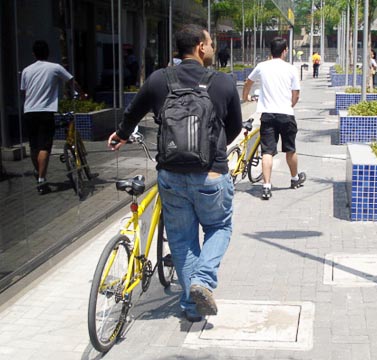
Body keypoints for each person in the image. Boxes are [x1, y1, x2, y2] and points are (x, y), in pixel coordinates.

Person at [108, 25, 243, 322]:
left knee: (182, 241)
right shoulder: (222, 83)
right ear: (199, 47)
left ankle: (192, 306)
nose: (211, 47)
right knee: (219, 228)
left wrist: (120, 134)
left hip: (170, 174)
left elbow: (133, 112)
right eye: (209, 42)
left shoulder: (159, 79)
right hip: (210, 173)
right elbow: (233, 128)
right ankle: (203, 281)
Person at [242, 37, 305, 200]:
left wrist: (246, 96)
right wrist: (290, 105)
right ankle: (294, 179)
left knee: (267, 152)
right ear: (285, 51)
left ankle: (266, 186)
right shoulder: (291, 69)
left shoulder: (262, 66)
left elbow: (248, 82)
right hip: (286, 114)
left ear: (271, 51)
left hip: (268, 115)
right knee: (290, 149)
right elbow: (296, 94)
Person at [20, 40, 77, 195]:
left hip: (29, 111)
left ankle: (38, 173)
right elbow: (72, 81)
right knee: (45, 147)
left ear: (34, 54)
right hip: (45, 112)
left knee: (34, 146)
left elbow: (24, 92)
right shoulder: (55, 68)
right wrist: (82, 94)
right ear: (48, 52)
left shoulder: (26, 70)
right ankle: (41, 180)